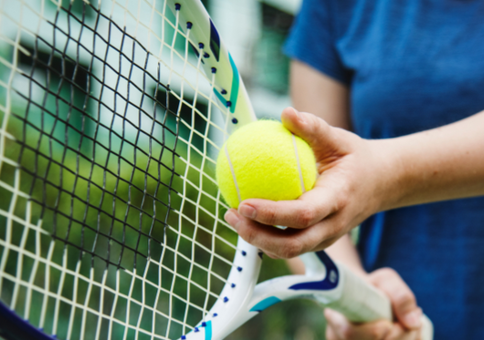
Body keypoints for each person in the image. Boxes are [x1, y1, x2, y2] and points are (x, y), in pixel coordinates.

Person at [224, 1, 484, 339]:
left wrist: (387, 173)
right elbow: (319, 195)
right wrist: (359, 301)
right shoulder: (334, 8)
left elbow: (361, 175)